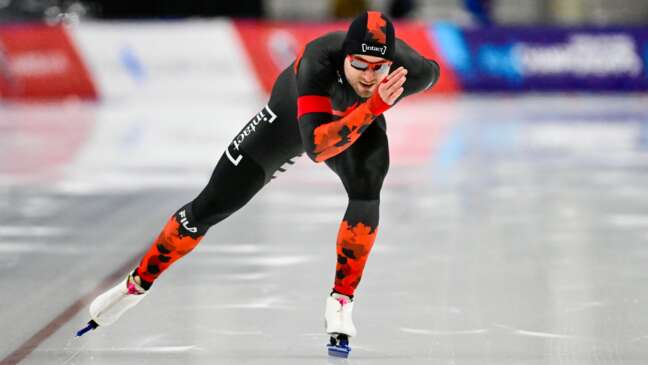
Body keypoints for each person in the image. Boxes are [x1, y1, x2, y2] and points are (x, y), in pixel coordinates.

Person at [78, 10, 440, 357]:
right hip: (287, 125)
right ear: (345, 55)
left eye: (379, 67)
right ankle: (137, 283)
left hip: (358, 122)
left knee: (367, 190)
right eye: (359, 64)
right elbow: (316, 147)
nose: (368, 76)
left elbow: (433, 71)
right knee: (210, 207)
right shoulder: (319, 59)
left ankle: (342, 300)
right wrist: (374, 106)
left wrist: (373, 106)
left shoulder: (410, 71)